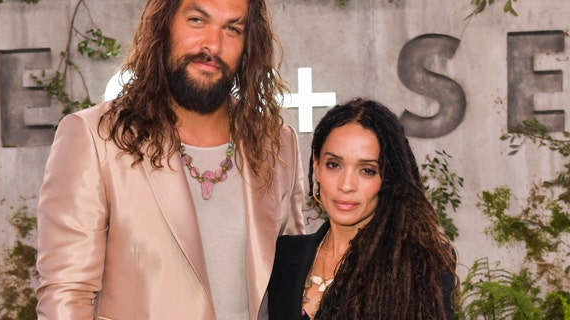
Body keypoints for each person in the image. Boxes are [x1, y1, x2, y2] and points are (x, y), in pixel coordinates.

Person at [34, 0, 306, 319]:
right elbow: (67, 295)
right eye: (196, 20)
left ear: (250, 44)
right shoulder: (94, 138)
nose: (213, 45)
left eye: (232, 29)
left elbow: (291, 282)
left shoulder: (277, 143)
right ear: (163, 24)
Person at [268, 98, 458, 319]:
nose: (346, 185)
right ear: (316, 166)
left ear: (388, 178)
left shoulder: (421, 263)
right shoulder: (283, 255)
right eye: (334, 165)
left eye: (367, 170)